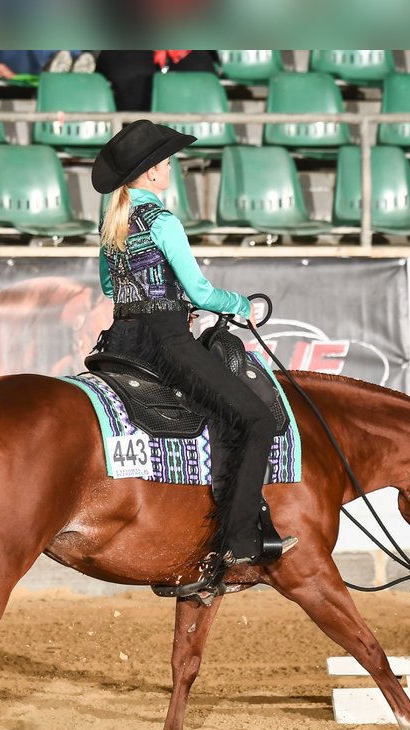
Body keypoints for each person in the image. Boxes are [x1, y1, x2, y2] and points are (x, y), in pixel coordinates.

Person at [91, 119, 296, 594]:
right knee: (256, 420)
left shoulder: (113, 222)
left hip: (121, 340)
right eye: (163, 161)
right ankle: (240, 540)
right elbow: (199, 291)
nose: (169, 166)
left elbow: (109, 287)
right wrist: (246, 307)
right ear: (150, 174)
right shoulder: (163, 222)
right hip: (165, 342)